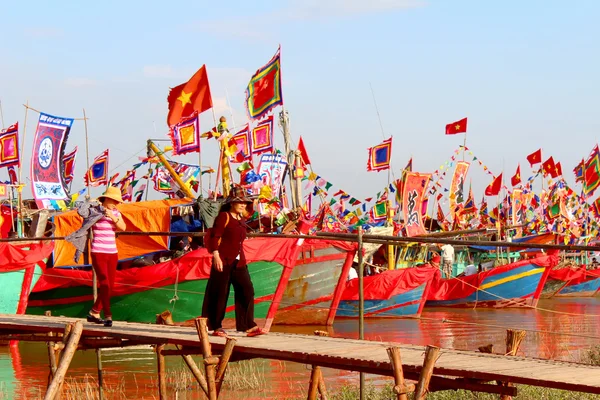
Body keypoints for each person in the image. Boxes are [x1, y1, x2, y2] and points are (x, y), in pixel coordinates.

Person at [202, 186, 266, 338]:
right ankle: (216, 326)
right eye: (240, 202)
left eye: (245, 202)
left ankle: (247, 325)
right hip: (223, 260)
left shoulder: (241, 219)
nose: (243, 205)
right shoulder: (224, 216)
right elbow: (214, 237)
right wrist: (216, 255)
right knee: (220, 293)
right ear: (232, 203)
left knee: (247, 290)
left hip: (239, 261)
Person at [87, 186, 126, 327]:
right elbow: (85, 223)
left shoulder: (117, 213)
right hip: (98, 251)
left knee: (110, 286)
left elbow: (123, 227)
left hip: (112, 252)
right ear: (106, 199)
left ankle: (95, 311)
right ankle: (108, 315)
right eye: (114, 200)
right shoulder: (94, 211)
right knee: (104, 282)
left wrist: (113, 216)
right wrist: (100, 213)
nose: (116, 203)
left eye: (117, 201)